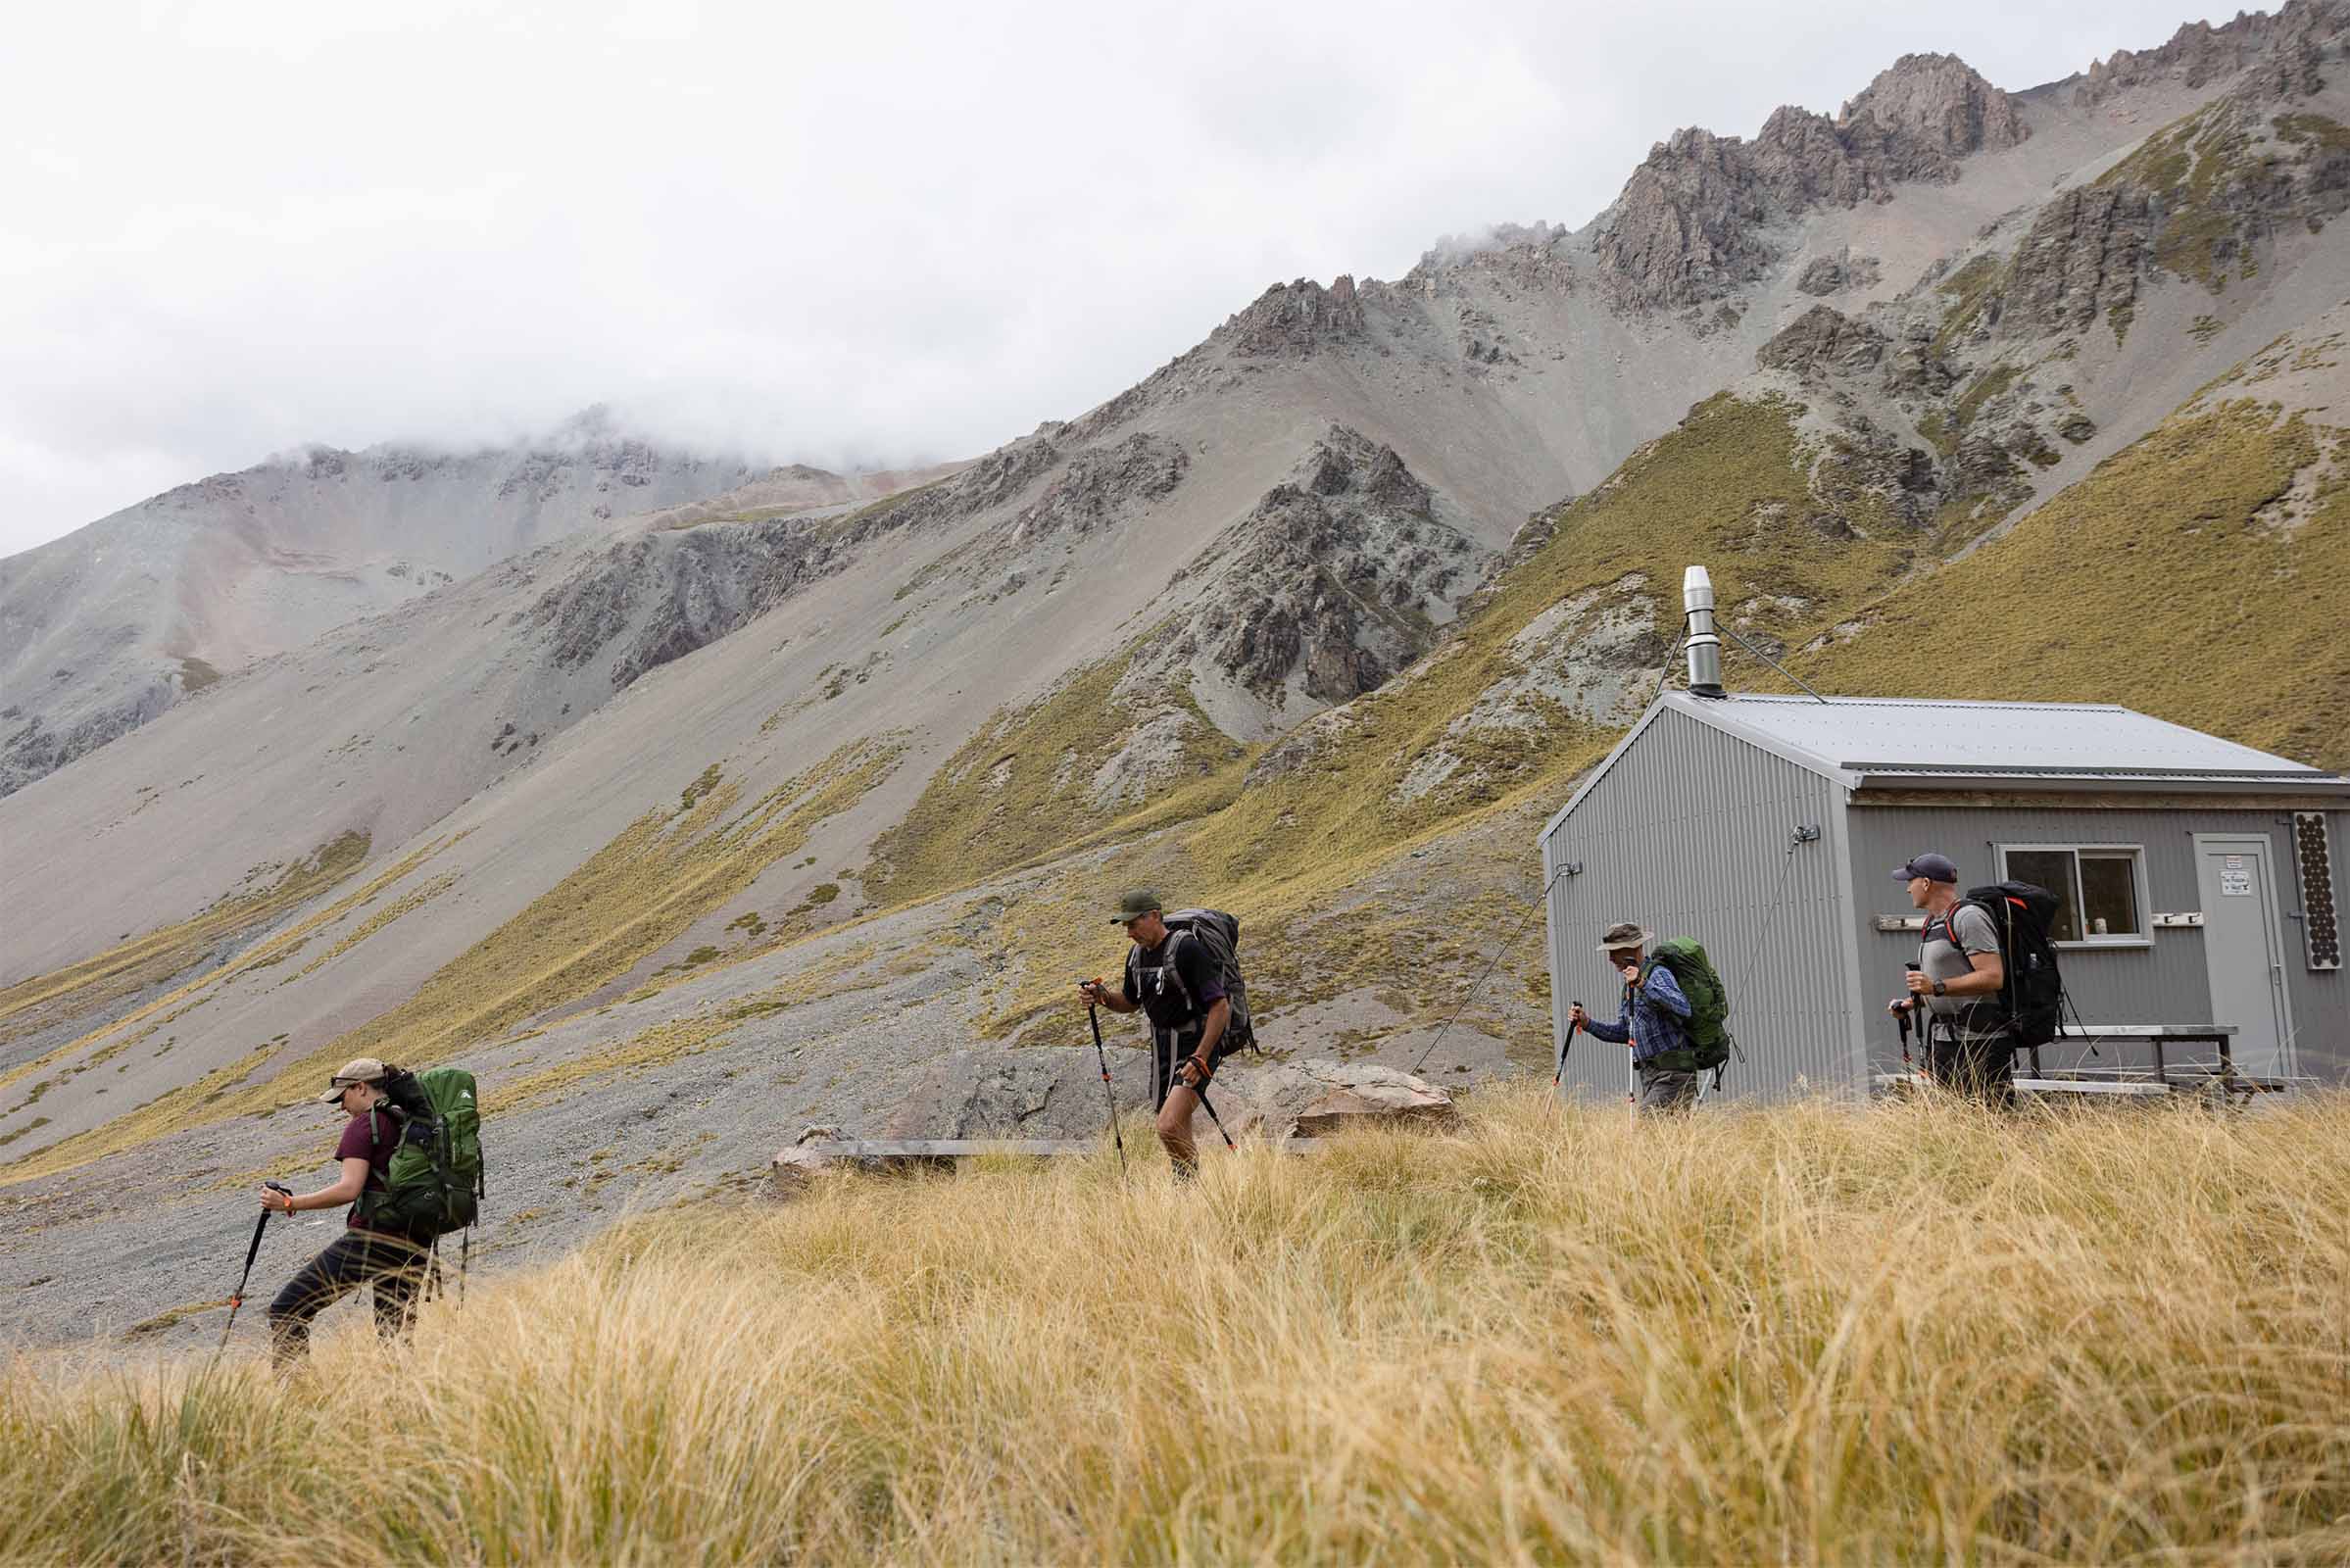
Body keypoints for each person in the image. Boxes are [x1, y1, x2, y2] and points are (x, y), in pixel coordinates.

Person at [260, 1055, 430, 1365]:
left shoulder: (364, 1125)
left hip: (373, 1239)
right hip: (415, 1237)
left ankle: (295, 1396)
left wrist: (287, 1203)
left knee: (287, 1309)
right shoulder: (404, 1118)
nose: (341, 1107)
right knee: (395, 1331)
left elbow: (348, 1189)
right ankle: (405, 1399)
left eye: (343, 1097)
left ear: (361, 1088)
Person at [1077, 890, 1234, 1176]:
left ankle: (1188, 1185)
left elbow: (1220, 1006)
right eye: (1126, 926)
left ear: (1155, 916)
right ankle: (1190, 1195)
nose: (1129, 933)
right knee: (1176, 1127)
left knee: (1167, 1125)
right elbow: (1129, 1001)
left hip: (1196, 1047)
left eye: (1133, 924)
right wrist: (1102, 996)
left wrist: (1201, 1057)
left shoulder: (1187, 949)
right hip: (1162, 1048)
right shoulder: (1136, 956)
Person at [1885, 853, 2013, 1105]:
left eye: (1910, 882)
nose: (1907, 889)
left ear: (1925, 883)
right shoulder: (1932, 923)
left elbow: (1993, 976)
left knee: (1990, 1120)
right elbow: (1949, 984)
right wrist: (1915, 1002)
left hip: (1979, 1042)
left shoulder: (1969, 917)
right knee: (1952, 1123)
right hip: (1944, 1041)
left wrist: (1936, 987)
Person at [1568, 920, 1697, 1115]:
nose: (1610, 958)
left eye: (1615, 951)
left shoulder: (1657, 974)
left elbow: (1684, 1007)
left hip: (1673, 1074)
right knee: (1665, 1139)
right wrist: (1587, 1023)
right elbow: (1624, 1033)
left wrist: (1642, 983)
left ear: (1633, 948)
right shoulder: (1628, 985)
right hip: (1650, 1076)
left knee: (1648, 1126)